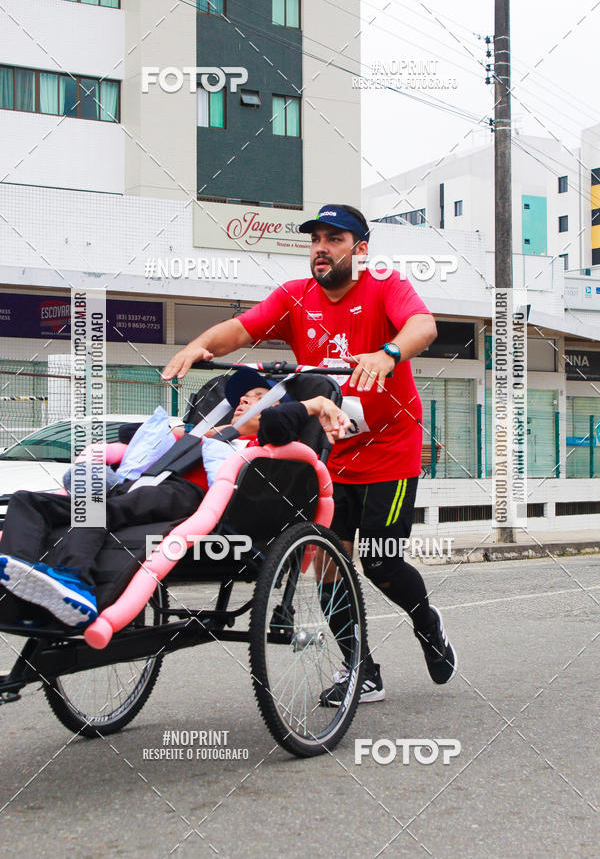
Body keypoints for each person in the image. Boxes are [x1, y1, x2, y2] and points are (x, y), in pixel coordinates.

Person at [162, 203, 458, 704]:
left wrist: (387, 354)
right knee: (324, 559)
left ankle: (427, 623)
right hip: (332, 451)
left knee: (380, 562)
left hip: (390, 448)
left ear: (360, 250)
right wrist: (200, 345)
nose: (321, 248)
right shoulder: (296, 297)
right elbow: (242, 328)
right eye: (316, 239)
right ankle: (361, 669)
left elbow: (423, 327)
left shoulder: (384, 284)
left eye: (334, 239)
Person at [0, 368, 349, 629]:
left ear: (274, 408)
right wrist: (181, 432)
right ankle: (19, 578)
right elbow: (130, 434)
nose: (243, 399)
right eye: (242, 397)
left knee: (97, 509)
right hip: (142, 484)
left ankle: (75, 578)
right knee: (28, 501)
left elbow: (275, 423)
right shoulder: (203, 436)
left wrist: (316, 403)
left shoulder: (266, 448)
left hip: (190, 498)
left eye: (257, 395)